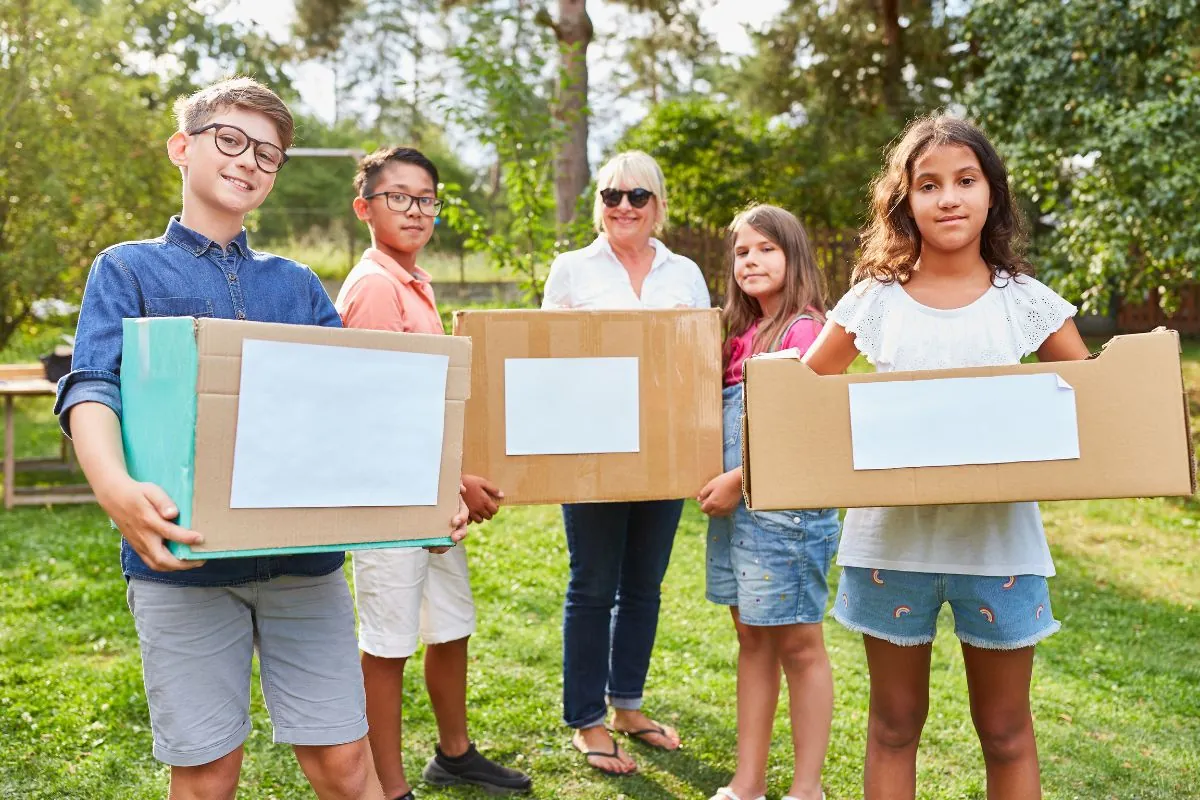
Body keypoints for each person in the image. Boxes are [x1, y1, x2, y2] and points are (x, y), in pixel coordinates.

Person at [55, 77, 467, 799]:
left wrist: (421, 497)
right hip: (183, 565)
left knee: (344, 763)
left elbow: (355, 405)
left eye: (268, 155)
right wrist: (115, 489)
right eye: (232, 141)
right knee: (209, 774)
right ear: (183, 147)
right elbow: (93, 386)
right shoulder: (127, 269)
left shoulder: (298, 285)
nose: (249, 161)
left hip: (304, 567)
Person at [802, 114, 1090, 799]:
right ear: (905, 201)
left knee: (1007, 730)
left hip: (1000, 550)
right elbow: (801, 400)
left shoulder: (1025, 304)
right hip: (891, 549)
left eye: (966, 180)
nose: (949, 198)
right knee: (894, 726)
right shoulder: (873, 302)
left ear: (993, 193)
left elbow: (1095, 404)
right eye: (928, 185)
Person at [335, 146, 532, 800]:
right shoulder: (371, 288)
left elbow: (430, 402)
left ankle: (453, 754)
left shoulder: (414, 283)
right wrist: (455, 484)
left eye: (426, 199)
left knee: (449, 626)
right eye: (399, 197)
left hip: (431, 494)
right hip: (390, 499)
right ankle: (388, 787)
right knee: (388, 643)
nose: (415, 210)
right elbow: (375, 412)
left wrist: (457, 476)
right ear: (365, 207)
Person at [541, 150, 711, 777]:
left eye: (638, 196)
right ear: (599, 204)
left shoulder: (684, 273)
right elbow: (546, 363)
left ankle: (627, 706)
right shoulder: (571, 270)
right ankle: (586, 720)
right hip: (591, 452)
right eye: (612, 195)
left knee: (643, 586)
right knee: (592, 586)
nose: (624, 206)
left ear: (658, 206)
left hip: (663, 451)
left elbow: (699, 361)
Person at [697, 204, 840, 800]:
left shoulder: (808, 331)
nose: (750, 261)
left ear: (794, 255)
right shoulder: (736, 334)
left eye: (766, 249)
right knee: (752, 638)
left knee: (801, 647)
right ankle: (747, 783)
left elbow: (801, 431)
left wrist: (737, 478)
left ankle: (807, 789)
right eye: (741, 252)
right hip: (738, 517)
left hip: (788, 516)